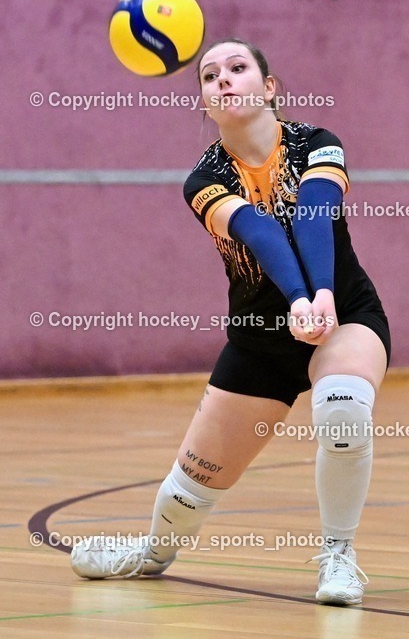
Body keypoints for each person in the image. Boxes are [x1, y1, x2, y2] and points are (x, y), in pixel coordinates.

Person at [70, 38, 391, 606]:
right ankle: (151, 553)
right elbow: (259, 231)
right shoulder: (204, 178)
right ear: (205, 102)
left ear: (268, 88)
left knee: (343, 412)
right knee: (189, 489)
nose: (223, 79)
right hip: (260, 339)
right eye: (209, 74)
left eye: (237, 68)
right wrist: (296, 299)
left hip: (342, 315)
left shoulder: (316, 142)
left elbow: (313, 214)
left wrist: (319, 296)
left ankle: (339, 557)